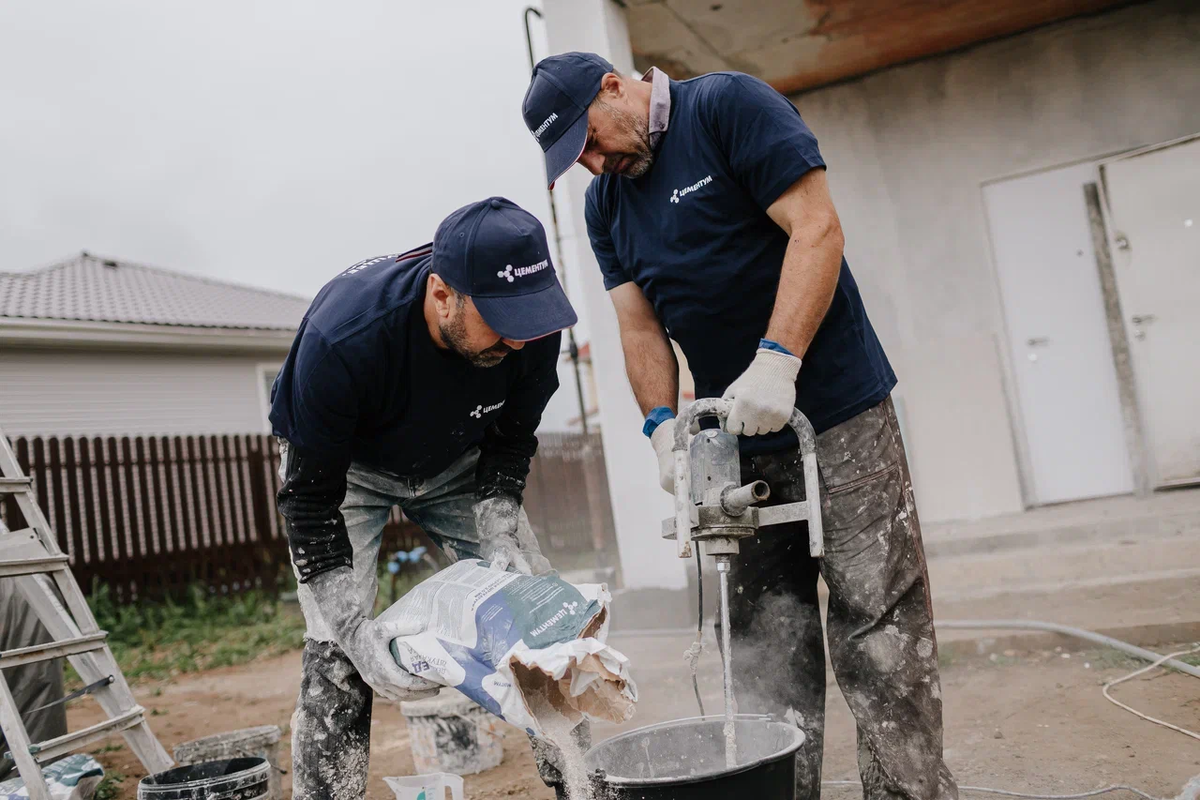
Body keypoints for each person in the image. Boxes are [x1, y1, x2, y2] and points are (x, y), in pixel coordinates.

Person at [522, 53, 959, 800]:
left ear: (613, 88)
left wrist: (779, 360)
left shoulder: (728, 109)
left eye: (591, 140)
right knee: (763, 645)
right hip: (732, 446)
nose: (595, 164)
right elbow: (639, 329)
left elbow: (817, 228)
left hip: (839, 414)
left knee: (876, 628)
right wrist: (662, 428)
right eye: (577, 161)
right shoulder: (607, 208)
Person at [269, 197, 584, 798]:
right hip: (348, 473)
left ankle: (581, 780)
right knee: (337, 653)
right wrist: (356, 631)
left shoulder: (533, 328)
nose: (519, 343)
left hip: (459, 460)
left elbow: (513, 441)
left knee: (536, 611)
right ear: (443, 295)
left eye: (530, 323)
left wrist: (497, 523)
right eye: (501, 322)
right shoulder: (344, 339)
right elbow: (308, 501)